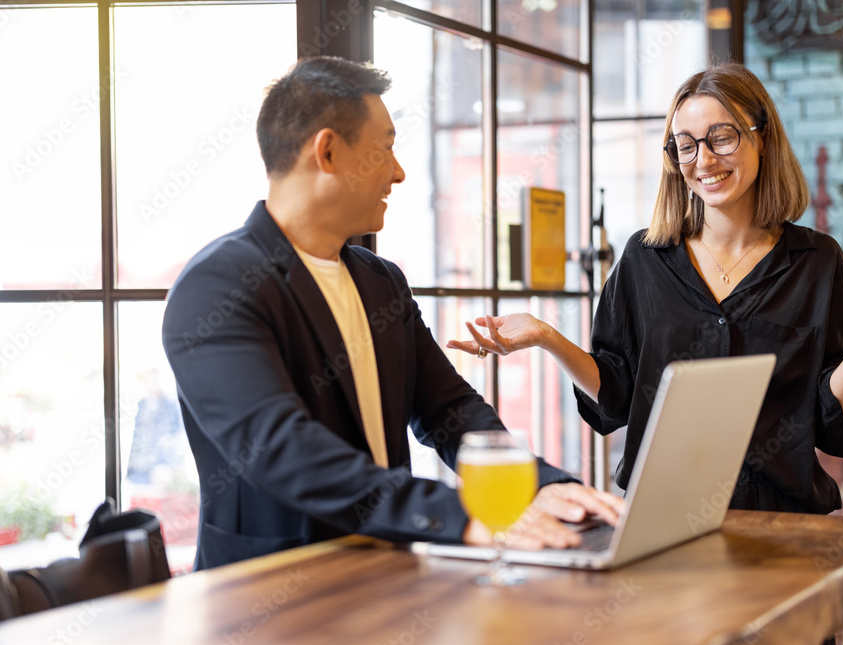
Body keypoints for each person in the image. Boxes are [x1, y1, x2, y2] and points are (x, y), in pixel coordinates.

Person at [447, 61, 843, 645]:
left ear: (759, 136)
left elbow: (828, 406)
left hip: (784, 532)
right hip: (664, 534)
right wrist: (547, 337)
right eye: (685, 144)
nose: (704, 159)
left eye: (722, 137)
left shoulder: (818, 262)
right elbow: (615, 396)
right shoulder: (642, 260)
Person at [162, 56, 621, 571]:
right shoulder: (216, 287)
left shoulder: (381, 280)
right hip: (267, 598)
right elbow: (282, 449)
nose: (399, 172)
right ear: (329, 151)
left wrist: (542, 487)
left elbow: (449, 410)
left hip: (388, 575)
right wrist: (462, 516)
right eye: (386, 148)